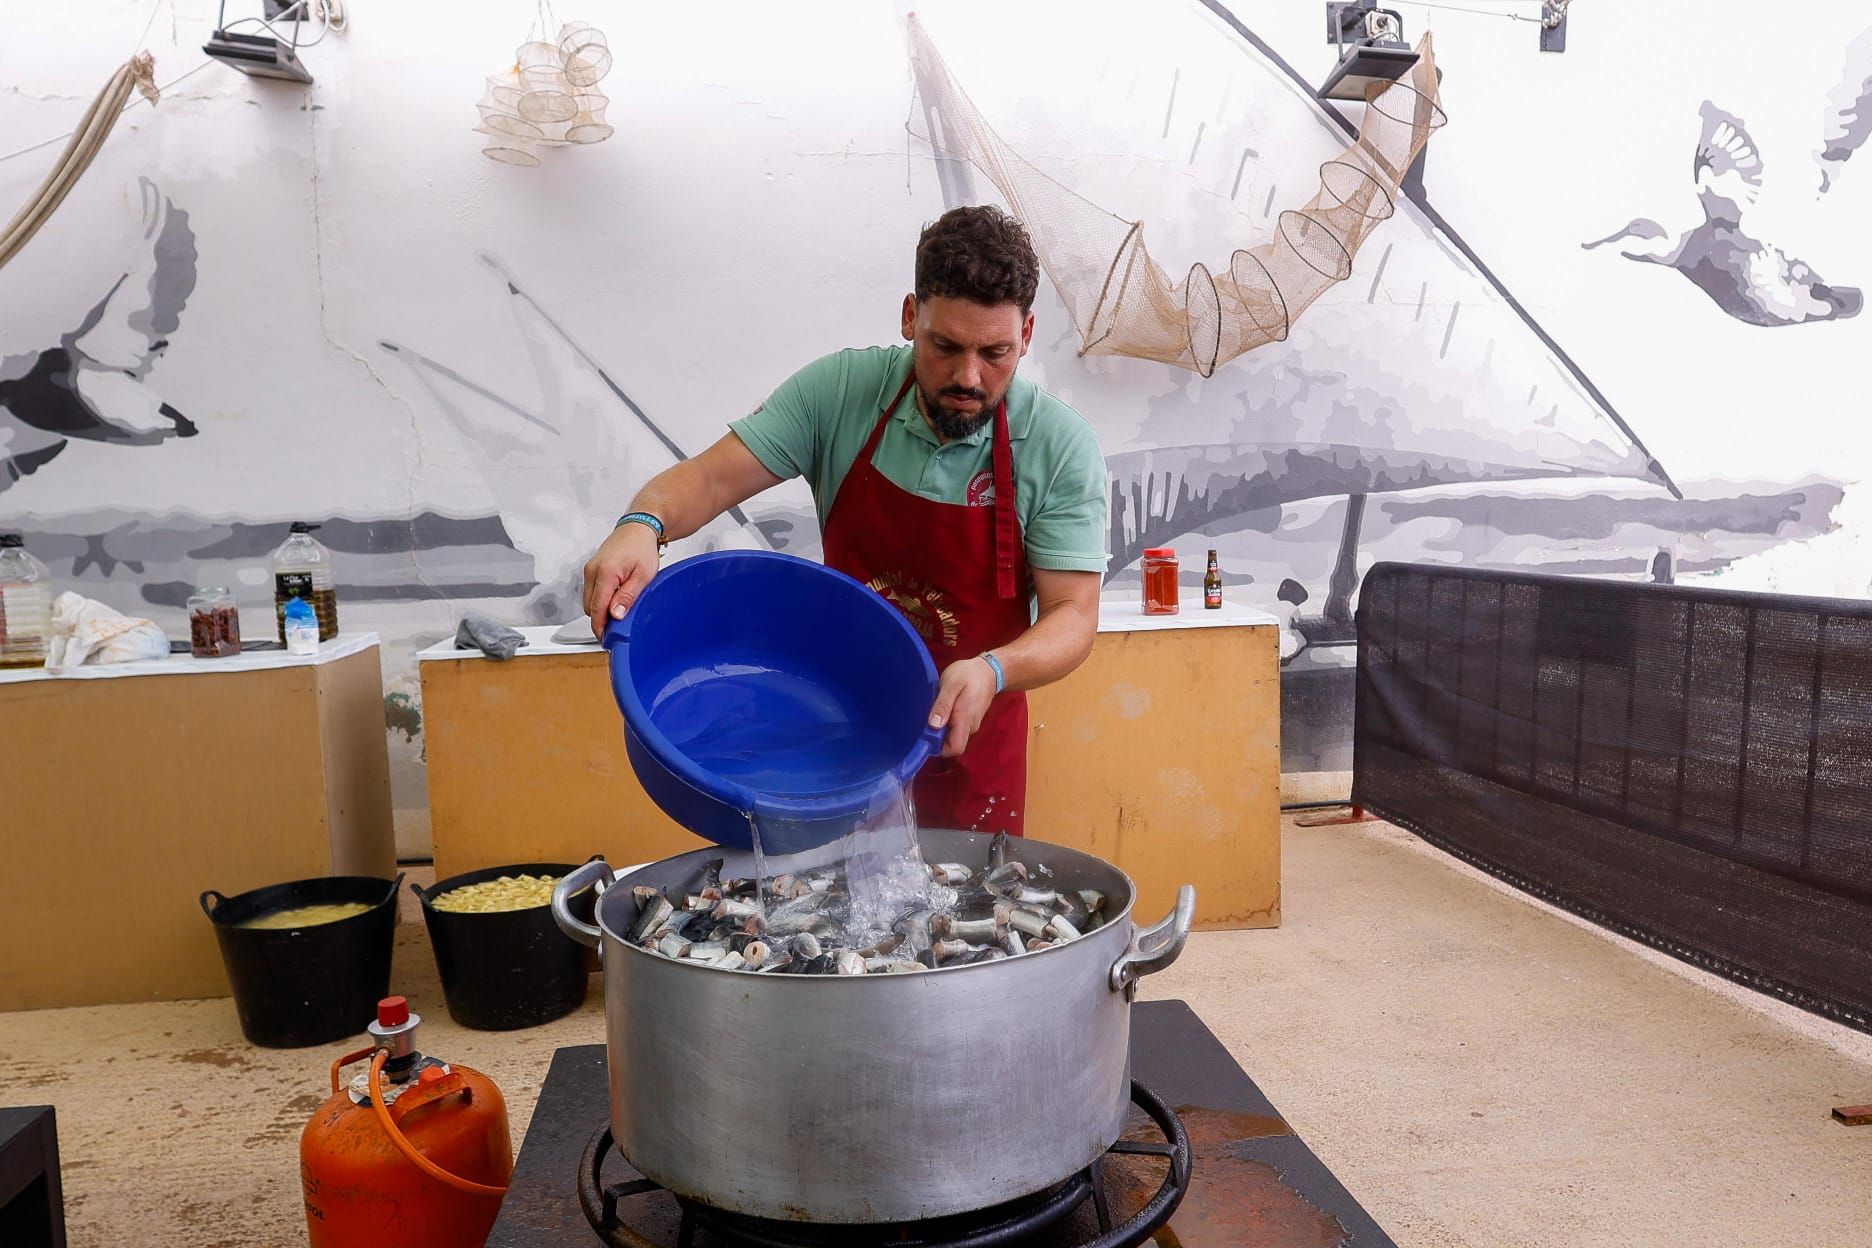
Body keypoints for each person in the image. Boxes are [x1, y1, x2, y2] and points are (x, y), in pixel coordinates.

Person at [581, 205, 1109, 836]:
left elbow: (1073, 615)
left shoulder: (1059, 446)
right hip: (835, 727)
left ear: (1026, 335)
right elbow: (711, 478)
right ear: (911, 316)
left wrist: (994, 670)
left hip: (968, 736)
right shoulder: (838, 393)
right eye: (945, 347)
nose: (968, 377)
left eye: (995, 353)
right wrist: (643, 522)